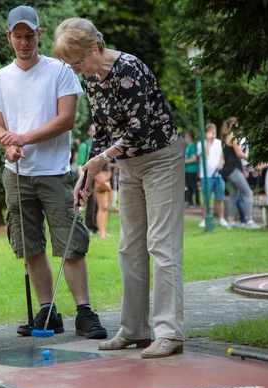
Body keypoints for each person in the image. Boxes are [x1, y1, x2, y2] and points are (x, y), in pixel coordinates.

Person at [54, 17, 185, 358]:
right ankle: (135, 329)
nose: (77, 70)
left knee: (161, 244)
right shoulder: (92, 79)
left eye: (79, 62)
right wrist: (85, 176)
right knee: (129, 246)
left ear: (95, 48)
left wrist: (104, 160)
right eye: (71, 65)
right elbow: (101, 129)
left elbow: (139, 128)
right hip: (129, 164)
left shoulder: (129, 68)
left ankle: (169, 333)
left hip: (160, 158)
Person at [0, 6, 107, 340]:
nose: (24, 42)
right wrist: (7, 145)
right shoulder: (0, 78)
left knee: (70, 244)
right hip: (17, 172)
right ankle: (48, 312)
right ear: (8, 37)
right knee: (30, 245)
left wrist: (23, 137)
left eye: (30, 35)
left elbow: (66, 119)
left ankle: (85, 312)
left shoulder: (60, 70)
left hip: (54, 172)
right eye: (18, 36)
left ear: (40, 33)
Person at [220, 117, 260, 229]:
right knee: (248, 192)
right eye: (236, 125)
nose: (238, 127)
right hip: (234, 170)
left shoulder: (225, 138)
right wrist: (253, 161)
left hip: (228, 170)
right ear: (231, 126)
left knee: (233, 196)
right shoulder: (232, 136)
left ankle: (230, 222)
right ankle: (249, 221)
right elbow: (239, 153)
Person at [197, 123, 228, 227]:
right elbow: (205, 156)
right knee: (206, 198)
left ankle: (221, 219)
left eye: (214, 131)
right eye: (211, 131)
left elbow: (223, 157)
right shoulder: (200, 143)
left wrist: (221, 164)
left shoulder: (219, 143)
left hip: (217, 175)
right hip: (206, 176)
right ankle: (205, 218)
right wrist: (209, 142)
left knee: (220, 198)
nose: (213, 133)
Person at [78, 124, 98, 234]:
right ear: (89, 132)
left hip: (98, 176)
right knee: (90, 202)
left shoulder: (99, 145)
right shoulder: (84, 146)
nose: (94, 133)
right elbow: (80, 165)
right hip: (87, 176)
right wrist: (83, 181)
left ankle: (96, 226)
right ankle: (89, 226)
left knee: (98, 202)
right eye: (93, 131)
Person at [183, 132, 200, 208]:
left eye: (186, 137)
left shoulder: (192, 146)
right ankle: (190, 202)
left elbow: (194, 158)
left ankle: (197, 202)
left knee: (193, 186)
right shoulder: (188, 147)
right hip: (187, 170)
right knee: (189, 186)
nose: (185, 138)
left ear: (190, 137)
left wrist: (184, 162)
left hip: (192, 170)